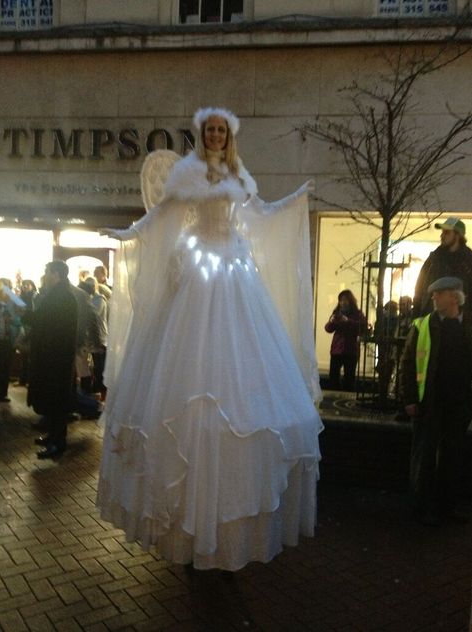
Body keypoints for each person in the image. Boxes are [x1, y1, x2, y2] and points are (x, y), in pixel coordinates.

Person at [97, 107, 323, 571]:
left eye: (222, 129)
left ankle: (225, 520)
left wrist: (292, 202)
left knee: (241, 376)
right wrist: (127, 232)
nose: (216, 135)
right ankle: (185, 517)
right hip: (200, 272)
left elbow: (257, 213)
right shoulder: (188, 172)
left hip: (235, 271)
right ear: (202, 134)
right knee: (189, 372)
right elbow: (163, 215)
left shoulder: (240, 174)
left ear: (229, 135)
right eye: (211, 129)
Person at [400, 276, 472, 525]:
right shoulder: (422, 326)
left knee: (452, 457)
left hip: (459, 405)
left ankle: (446, 507)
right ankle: (419, 508)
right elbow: (408, 364)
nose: (433, 297)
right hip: (428, 402)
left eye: (438, 294)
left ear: (454, 297)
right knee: (425, 456)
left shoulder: (468, 327)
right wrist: (409, 399)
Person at [27, 261, 78, 459]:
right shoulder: (57, 295)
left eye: (47, 271)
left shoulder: (64, 297)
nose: (45, 275)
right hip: (51, 357)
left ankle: (58, 442)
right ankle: (52, 436)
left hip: (57, 360)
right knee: (52, 400)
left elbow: (57, 329)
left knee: (58, 402)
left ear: (56, 274)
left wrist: (30, 317)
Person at [413, 217, 472, 317]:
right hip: (433, 317)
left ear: (457, 235)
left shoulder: (469, 261)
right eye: (442, 232)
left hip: (461, 321)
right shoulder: (434, 259)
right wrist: (417, 312)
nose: (442, 236)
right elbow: (420, 286)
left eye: (446, 232)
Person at [325, 290, 366, 391]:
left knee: (349, 377)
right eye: (341, 300)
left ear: (350, 301)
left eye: (345, 300)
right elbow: (328, 329)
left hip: (351, 350)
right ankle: (332, 398)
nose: (343, 302)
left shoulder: (357, 313)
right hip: (336, 349)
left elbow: (362, 328)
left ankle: (347, 398)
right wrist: (331, 322)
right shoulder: (336, 313)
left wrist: (348, 321)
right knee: (333, 376)